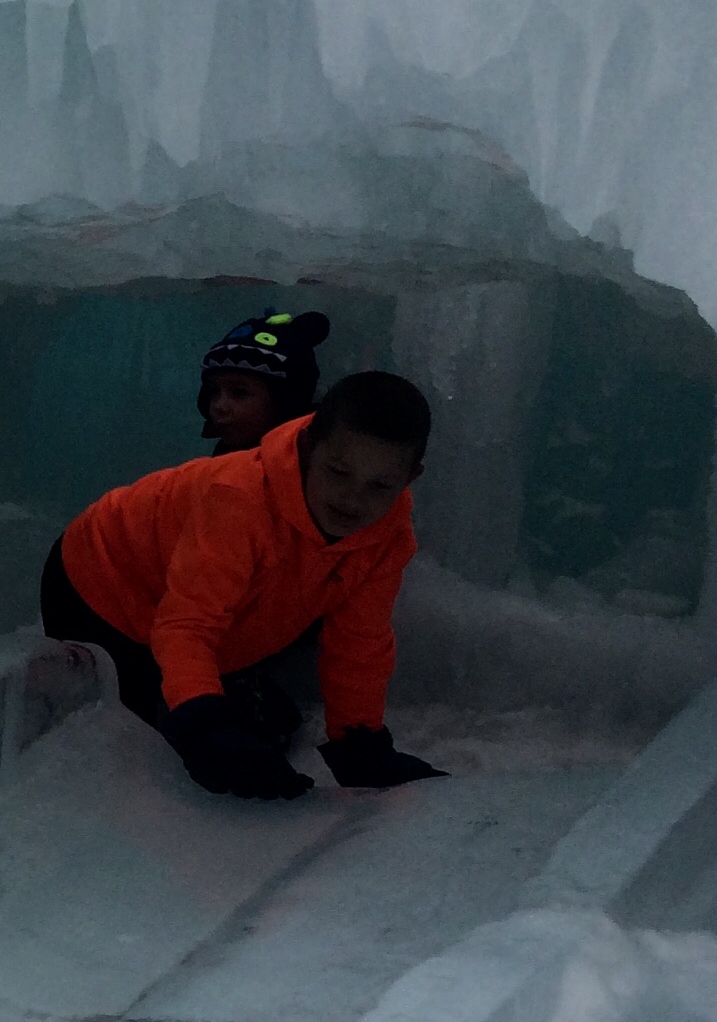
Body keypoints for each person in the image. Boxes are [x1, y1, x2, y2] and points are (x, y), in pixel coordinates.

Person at [40, 369, 447, 801]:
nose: (352, 498)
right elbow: (188, 625)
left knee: (259, 733)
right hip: (99, 582)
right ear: (310, 447)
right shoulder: (239, 500)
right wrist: (202, 722)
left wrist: (358, 743)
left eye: (380, 485)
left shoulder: (387, 536)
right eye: (339, 472)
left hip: (199, 611)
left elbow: (360, 642)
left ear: (410, 478)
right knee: (148, 754)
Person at [193, 307, 327, 454]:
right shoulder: (227, 455)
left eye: (239, 393)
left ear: (286, 401)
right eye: (213, 391)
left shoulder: (316, 462)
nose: (219, 406)